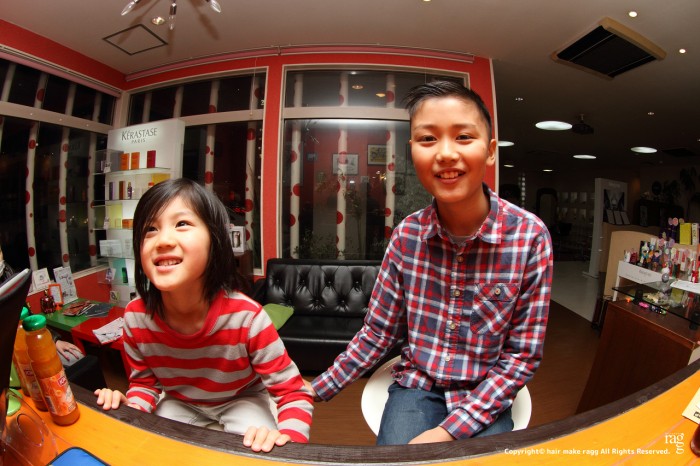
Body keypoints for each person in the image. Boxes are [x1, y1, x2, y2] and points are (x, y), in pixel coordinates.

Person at [305, 81, 553, 445]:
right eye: (428, 139)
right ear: (412, 151)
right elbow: (378, 333)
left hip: (486, 391)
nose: (446, 154)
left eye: (463, 137)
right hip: (417, 386)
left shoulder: (530, 237)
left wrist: (448, 432)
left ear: (490, 151)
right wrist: (316, 388)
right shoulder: (407, 236)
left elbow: (521, 356)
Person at [94, 178, 313, 452]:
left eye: (182, 224)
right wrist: (131, 409)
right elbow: (143, 384)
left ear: (215, 241)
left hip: (242, 398)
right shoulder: (135, 318)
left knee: (262, 455)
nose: (163, 240)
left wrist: (289, 441)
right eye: (150, 229)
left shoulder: (248, 318)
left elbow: (293, 392)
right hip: (178, 401)